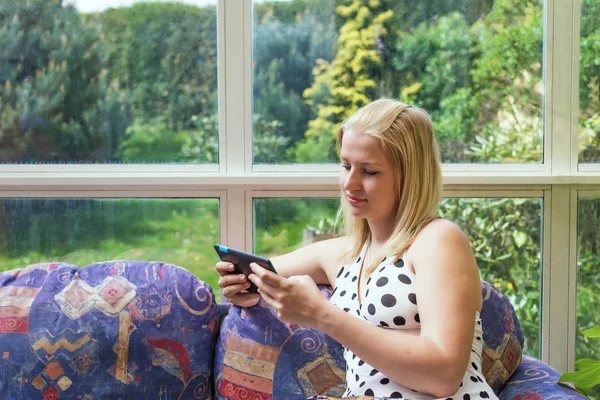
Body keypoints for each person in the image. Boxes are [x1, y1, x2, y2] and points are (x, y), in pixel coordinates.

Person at [216, 98, 498, 400]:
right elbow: (256, 272)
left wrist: (321, 314)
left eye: (369, 171)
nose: (350, 183)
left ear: (411, 175)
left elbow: (443, 376)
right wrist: (238, 284)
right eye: (346, 165)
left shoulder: (438, 240)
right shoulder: (343, 253)